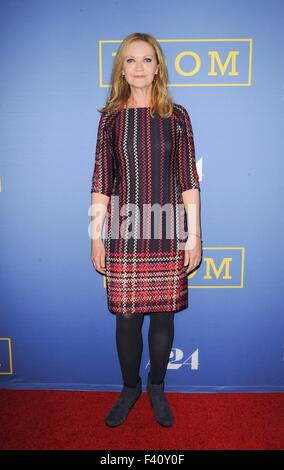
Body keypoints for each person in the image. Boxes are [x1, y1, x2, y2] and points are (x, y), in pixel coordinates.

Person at [90, 32, 202, 428]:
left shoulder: (178, 116)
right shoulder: (111, 119)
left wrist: (195, 234)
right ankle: (129, 387)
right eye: (130, 60)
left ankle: (156, 386)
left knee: (164, 318)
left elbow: (188, 179)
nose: (139, 67)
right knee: (126, 319)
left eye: (147, 59)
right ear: (122, 68)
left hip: (168, 226)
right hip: (124, 228)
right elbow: (102, 179)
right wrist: (95, 235)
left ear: (158, 67)